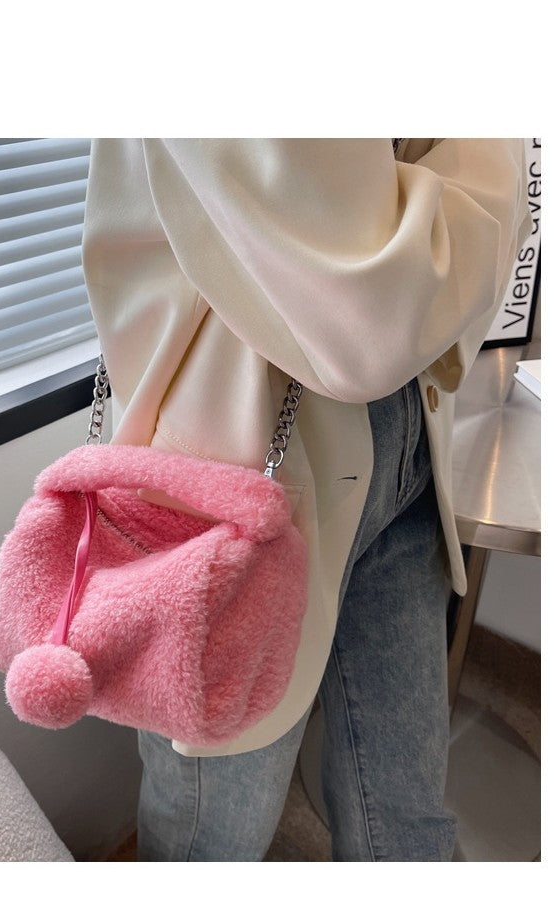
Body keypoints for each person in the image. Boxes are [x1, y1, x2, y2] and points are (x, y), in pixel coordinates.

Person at [81, 139, 530, 862]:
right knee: (212, 834)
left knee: (406, 814)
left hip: (410, 451)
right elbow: (374, 305)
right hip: (237, 472)